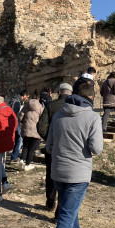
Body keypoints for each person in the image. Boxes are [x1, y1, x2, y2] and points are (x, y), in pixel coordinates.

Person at [45, 82, 103, 228]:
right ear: (91, 99)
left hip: (58, 172)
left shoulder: (58, 114)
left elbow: (49, 146)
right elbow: (96, 148)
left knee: (69, 211)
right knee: (66, 216)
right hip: (78, 174)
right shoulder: (93, 117)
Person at [36, 82, 73, 213]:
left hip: (52, 148)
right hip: (70, 149)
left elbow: (41, 127)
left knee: (51, 174)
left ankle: (50, 201)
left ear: (59, 92)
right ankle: (60, 209)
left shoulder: (51, 106)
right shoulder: (75, 107)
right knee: (66, 178)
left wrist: (49, 139)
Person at [18, 92, 44, 171]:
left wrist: (24, 122)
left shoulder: (26, 106)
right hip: (35, 131)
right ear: (38, 99)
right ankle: (27, 164)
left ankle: (22, 160)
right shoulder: (40, 108)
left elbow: (20, 117)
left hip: (26, 129)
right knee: (31, 149)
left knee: (25, 146)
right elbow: (43, 119)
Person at [9, 90, 28, 163]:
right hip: (14, 121)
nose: (27, 98)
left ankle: (14, 155)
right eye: (27, 96)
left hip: (12, 121)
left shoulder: (14, 99)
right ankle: (14, 156)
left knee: (17, 138)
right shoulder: (17, 102)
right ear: (24, 95)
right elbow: (15, 113)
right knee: (20, 139)